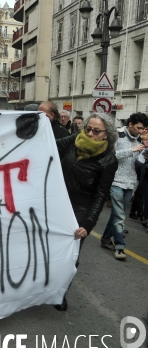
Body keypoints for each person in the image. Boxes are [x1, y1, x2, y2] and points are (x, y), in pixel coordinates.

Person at [54, 113, 118, 311]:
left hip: (79, 211)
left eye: (96, 131)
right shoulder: (74, 140)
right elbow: (49, 143)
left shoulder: (109, 160)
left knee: (69, 255)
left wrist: (88, 224)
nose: (90, 133)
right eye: (88, 129)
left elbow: (100, 195)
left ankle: (60, 292)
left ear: (106, 134)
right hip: (56, 203)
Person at [100, 112, 148, 260]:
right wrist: (131, 150)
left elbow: (137, 162)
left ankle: (105, 239)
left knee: (116, 214)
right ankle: (119, 246)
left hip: (131, 182)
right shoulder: (117, 134)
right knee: (120, 216)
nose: (141, 131)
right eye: (139, 128)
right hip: (115, 181)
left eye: (143, 129)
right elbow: (110, 155)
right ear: (130, 124)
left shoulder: (139, 139)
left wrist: (144, 156)